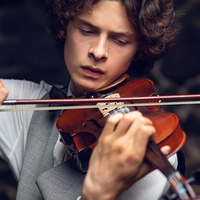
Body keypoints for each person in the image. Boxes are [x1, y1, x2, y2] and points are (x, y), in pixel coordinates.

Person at [0, 0, 178, 199]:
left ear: (138, 49)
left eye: (120, 41)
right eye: (87, 30)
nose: (99, 51)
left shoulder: (147, 151)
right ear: (63, 27)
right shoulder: (29, 104)